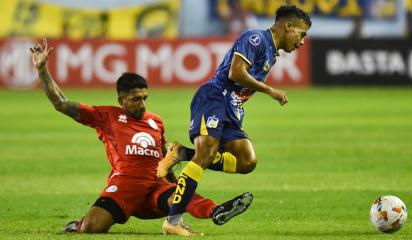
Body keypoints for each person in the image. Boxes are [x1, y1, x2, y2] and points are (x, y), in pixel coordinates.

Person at [30, 38, 253, 235]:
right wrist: (42, 71)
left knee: (182, 197)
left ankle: (217, 211)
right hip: (125, 185)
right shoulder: (105, 116)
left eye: (145, 97)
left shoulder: (155, 121)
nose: (142, 104)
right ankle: (77, 225)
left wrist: (174, 184)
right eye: (136, 99)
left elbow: (165, 156)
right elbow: (61, 103)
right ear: (121, 100)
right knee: (92, 228)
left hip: (156, 186)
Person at [157, 5, 311, 236]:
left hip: (232, 109)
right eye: (301, 34)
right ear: (288, 26)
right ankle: (173, 220)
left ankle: (182, 153)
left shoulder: (272, 53)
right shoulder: (256, 38)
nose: (301, 42)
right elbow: (235, 73)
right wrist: (270, 90)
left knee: (247, 161)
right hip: (214, 97)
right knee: (207, 153)